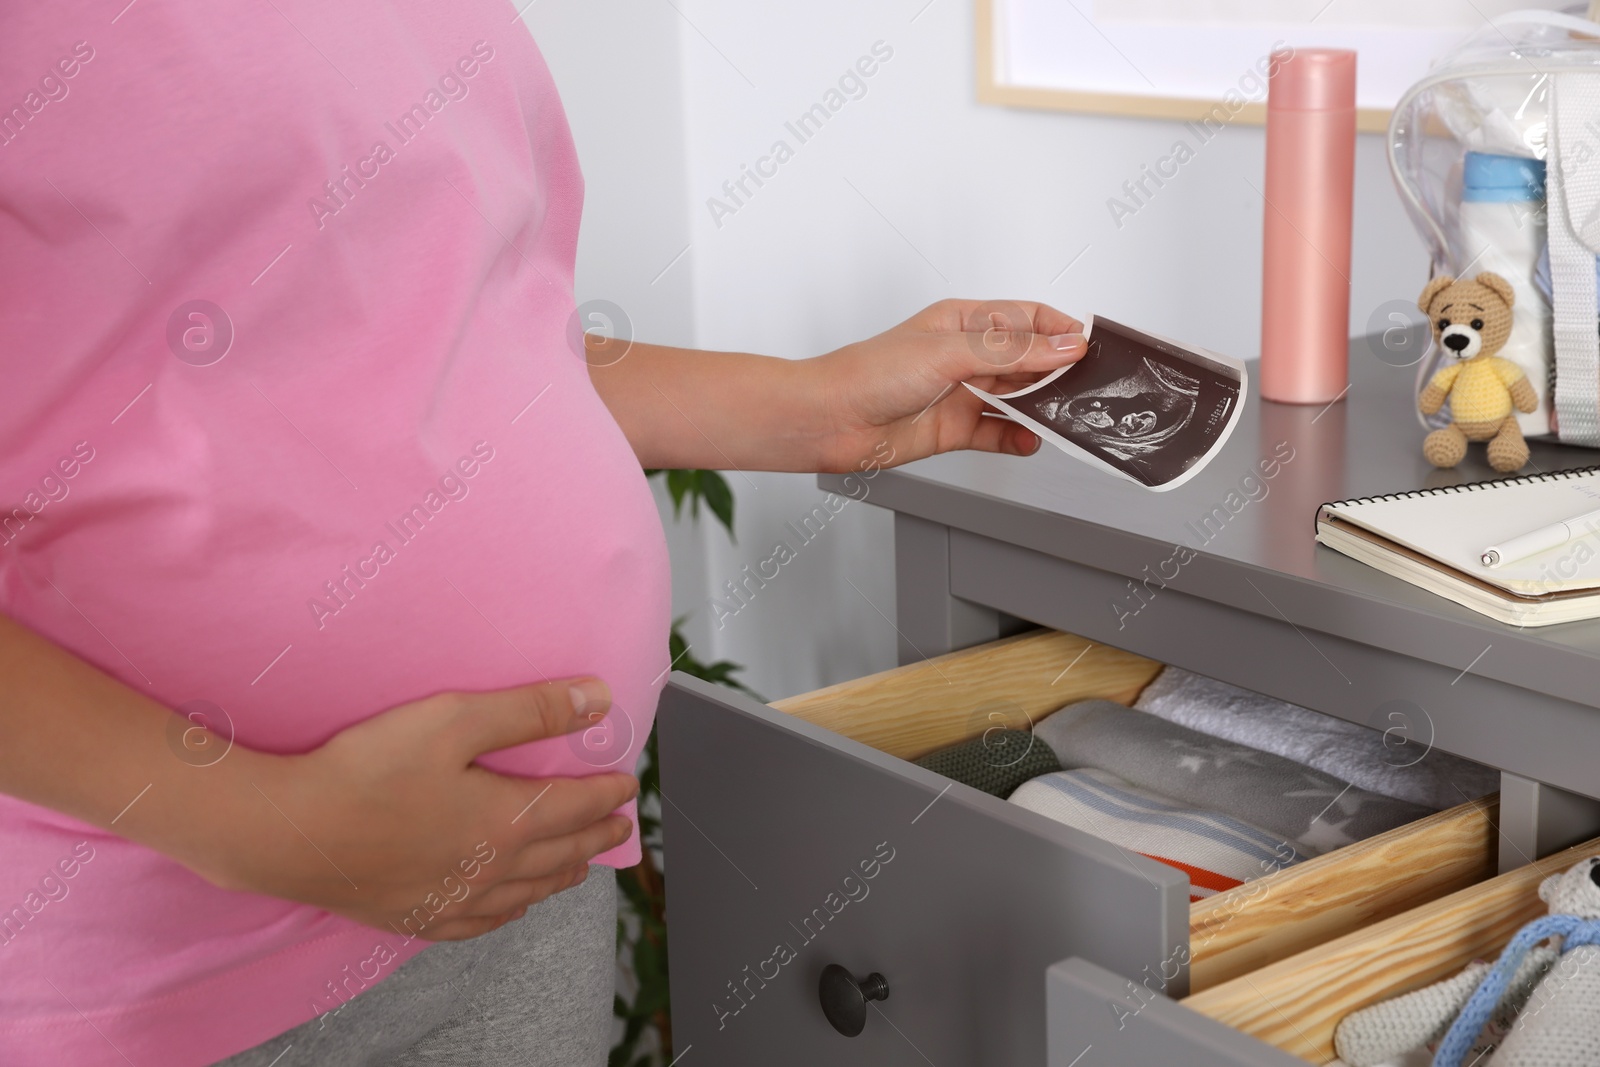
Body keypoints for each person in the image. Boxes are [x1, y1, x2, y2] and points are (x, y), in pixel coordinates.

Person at [0, 4, 1085, 1065]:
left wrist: (813, 405)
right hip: (174, 955)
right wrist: (254, 821)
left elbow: (445, 344)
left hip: (518, 879)